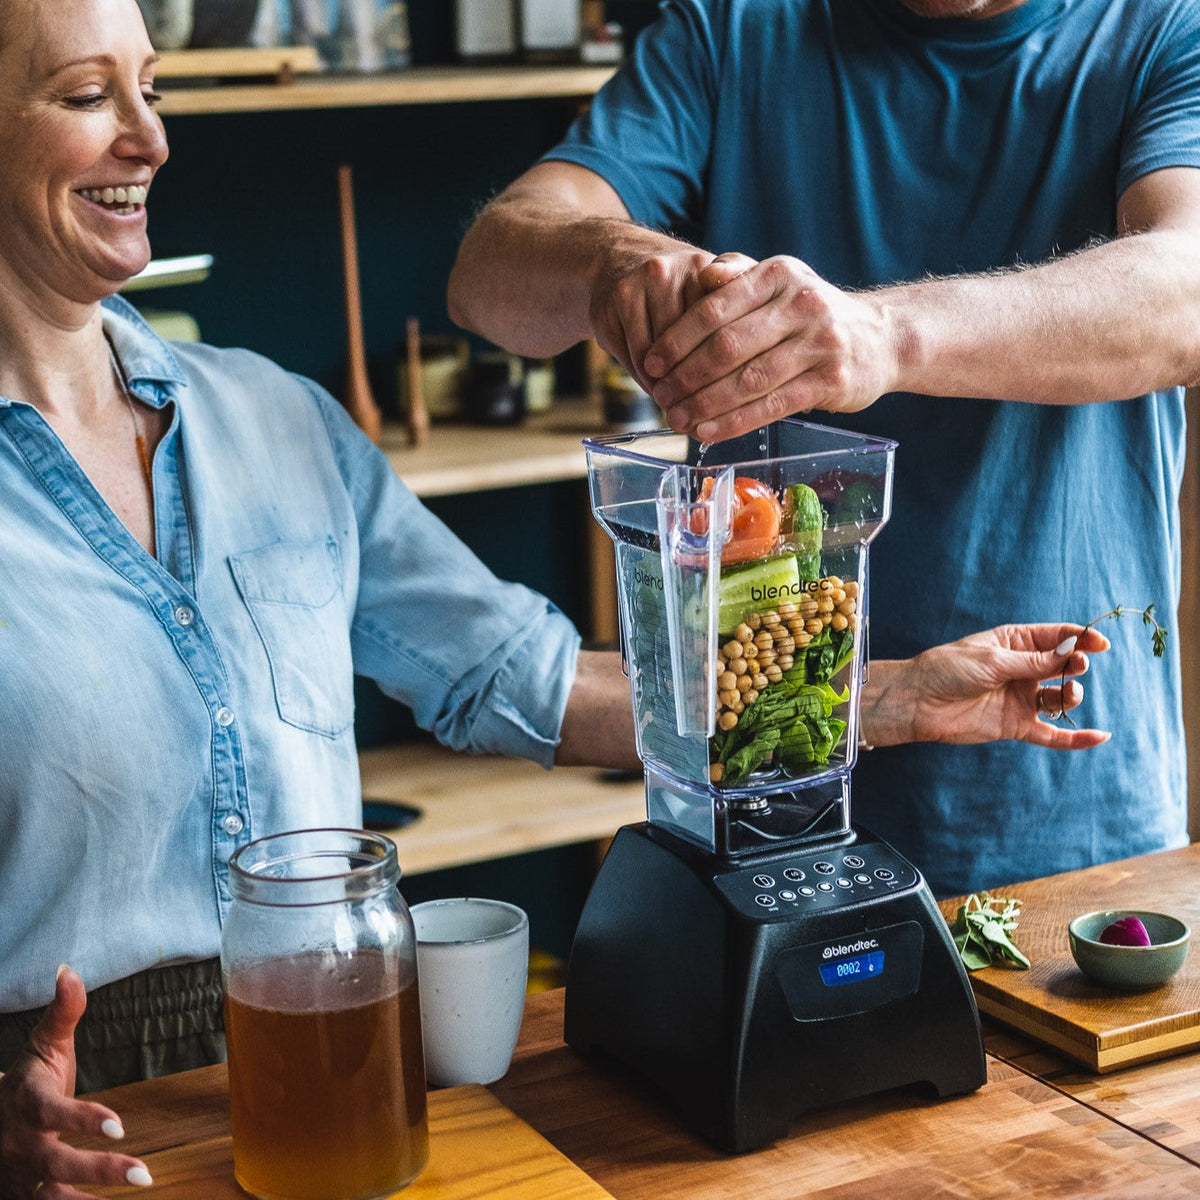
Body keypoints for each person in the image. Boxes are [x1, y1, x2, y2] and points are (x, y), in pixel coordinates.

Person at [0, 0, 1116, 1194]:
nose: (148, 139)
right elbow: (507, 257)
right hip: (69, 1104)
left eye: (153, 90)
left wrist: (895, 697)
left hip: (345, 1048)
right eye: (84, 96)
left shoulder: (273, 418)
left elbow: (518, 680)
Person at [448, 0, 1200, 900]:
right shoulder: (734, 31)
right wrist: (611, 259)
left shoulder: (1163, 29)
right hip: (770, 796)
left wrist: (886, 335)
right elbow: (488, 274)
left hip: (1067, 798)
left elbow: (1185, 291)